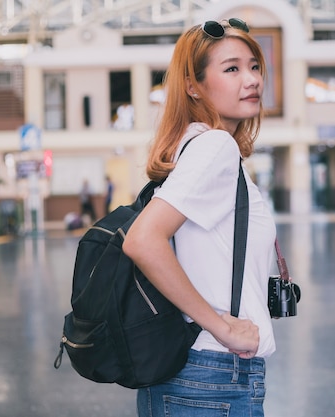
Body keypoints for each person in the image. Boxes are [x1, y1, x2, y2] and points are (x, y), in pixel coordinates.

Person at [123, 18, 276, 417]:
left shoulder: (193, 145)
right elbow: (142, 240)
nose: (252, 79)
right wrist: (220, 326)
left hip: (197, 376)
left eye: (254, 66)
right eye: (232, 68)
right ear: (193, 85)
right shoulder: (214, 147)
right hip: (211, 376)